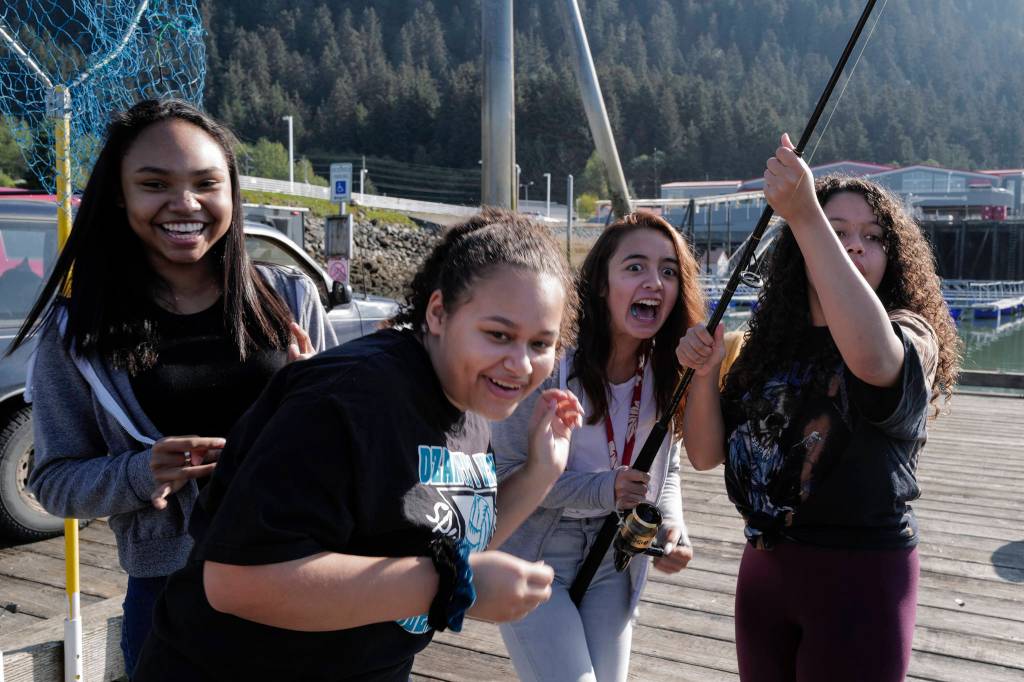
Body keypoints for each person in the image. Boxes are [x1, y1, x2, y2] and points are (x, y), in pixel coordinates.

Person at [134, 209, 584, 681]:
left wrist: (539, 473)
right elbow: (234, 581)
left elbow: (450, 537)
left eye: (540, 344)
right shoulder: (348, 398)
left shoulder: (471, 398)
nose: (519, 363)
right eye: (499, 335)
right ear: (438, 313)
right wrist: (450, 586)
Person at [10, 99, 335, 677]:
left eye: (206, 183)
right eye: (154, 183)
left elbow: (353, 448)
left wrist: (308, 402)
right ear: (119, 194)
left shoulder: (290, 301)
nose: (184, 204)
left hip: (303, 574)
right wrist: (143, 472)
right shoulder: (77, 334)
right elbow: (54, 481)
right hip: (170, 594)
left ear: (231, 193)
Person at [676, 134, 961, 682]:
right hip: (763, 574)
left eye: (871, 237)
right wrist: (706, 375)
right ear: (796, 253)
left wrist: (808, 217)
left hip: (860, 581)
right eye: (838, 230)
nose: (854, 245)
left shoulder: (909, 334)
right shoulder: (764, 347)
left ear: (892, 256)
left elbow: (876, 363)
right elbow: (706, 454)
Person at [494, 211, 705, 682]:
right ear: (602, 284)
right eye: (635, 267)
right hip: (535, 550)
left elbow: (664, 471)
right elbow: (507, 474)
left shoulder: (669, 368)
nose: (654, 280)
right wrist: (604, 488)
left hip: (618, 556)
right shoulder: (550, 362)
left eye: (668, 271)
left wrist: (672, 525)